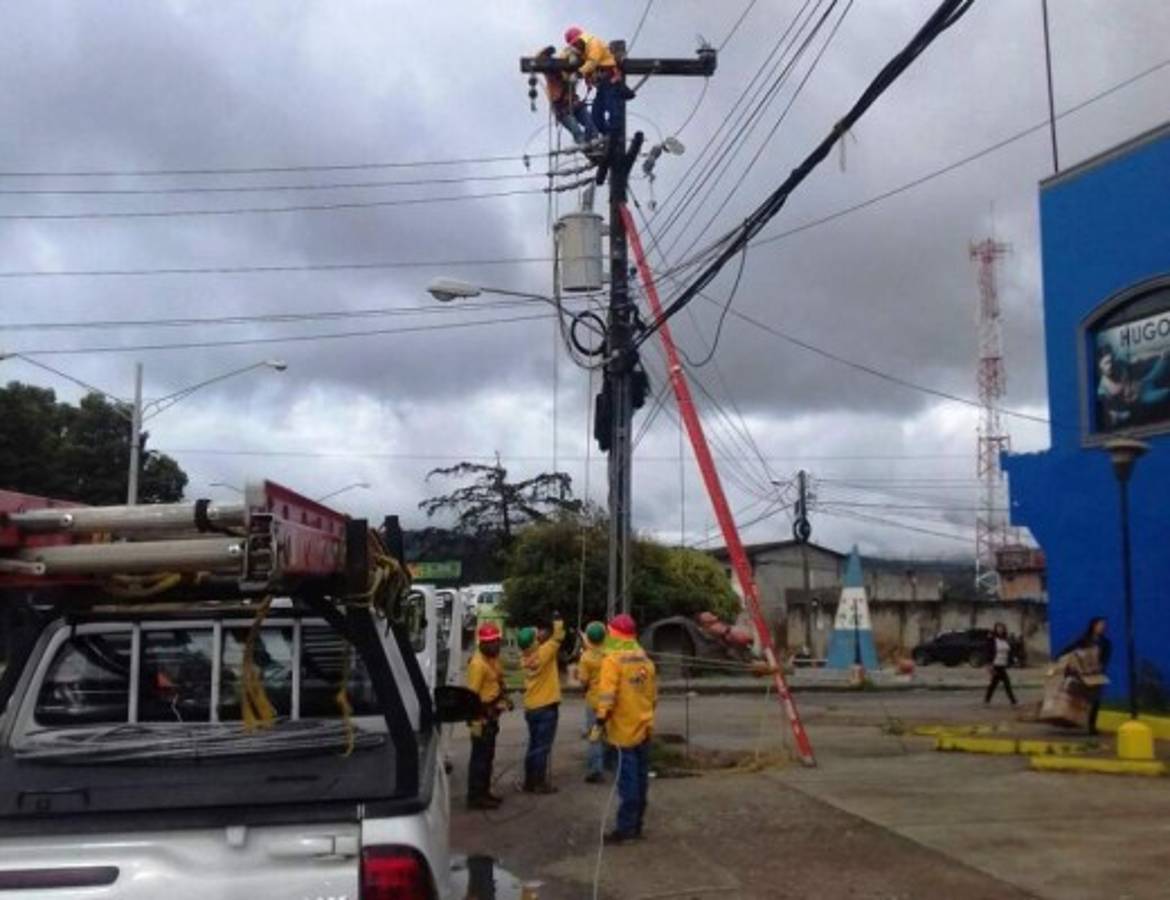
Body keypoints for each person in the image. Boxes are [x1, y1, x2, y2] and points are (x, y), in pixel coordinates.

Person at [594, 613, 657, 844]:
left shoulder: (612, 660)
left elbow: (607, 694)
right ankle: (637, 825)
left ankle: (626, 830)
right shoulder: (644, 659)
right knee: (641, 780)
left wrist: (600, 720)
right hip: (643, 727)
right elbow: (653, 696)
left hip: (623, 731)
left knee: (628, 782)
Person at [465, 622, 511, 810]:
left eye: (497, 641)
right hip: (481, 719)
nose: (496, 645)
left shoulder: (492, 659)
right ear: (482, 644)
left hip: (490, 717)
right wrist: (478, 720)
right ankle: (476, 796)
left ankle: (484, 792)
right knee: (480, 758)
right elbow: (472, 697)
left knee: (487, 757)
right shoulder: (478, 664)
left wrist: (503, 698)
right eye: (491, 642)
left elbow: (497, 680)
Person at [519, 615, 565, 793]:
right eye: (536, 634)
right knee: (542, 748)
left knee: (533, 745)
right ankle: (539, 783)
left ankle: (529, 782)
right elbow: (558, 636)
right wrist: (557, 620)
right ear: (534, 641)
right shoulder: (544, 652)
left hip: (531, 707)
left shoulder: (525, 657)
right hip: (546, 707)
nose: (539, 633)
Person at [563, 26, 622, 138]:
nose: (575, 46)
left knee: (614, 112)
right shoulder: (583, 49)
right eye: (573, 45)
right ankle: (608, 137)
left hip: (611, 81)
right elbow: (566, 53)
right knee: (596, 117)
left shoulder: (593, 43)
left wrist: (578, 73)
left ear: (581, 39)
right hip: (602, 86)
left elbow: (592, 62)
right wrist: (570, 54)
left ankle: (614, 136)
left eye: (576, 43)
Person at [534, 45, 598, 146]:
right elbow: (538, 61)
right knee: (577, 132)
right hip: (562, 108)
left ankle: (594, 143)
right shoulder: (552, 71)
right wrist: (545, 55)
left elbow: (588, 67)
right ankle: (585, 145)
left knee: (591, 126)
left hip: (575, 103)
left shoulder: (574, 69)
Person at [1058, 617, 1112, 734]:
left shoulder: (1105, 643)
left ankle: (1092, 726)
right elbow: (1070, 649)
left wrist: (1101, 666)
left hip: (1096, 675)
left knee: (1096, 701)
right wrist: (1061, 658)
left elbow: (1105, 658)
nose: (1102, 627)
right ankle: (1073, 720)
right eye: (1100, 624)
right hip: (1081, 675)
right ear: (1093, 625)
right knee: (1078, 698)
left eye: (1104, 625)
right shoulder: (1084, 640)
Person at [576, 620, 609, 783]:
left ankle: (596, 769)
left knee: (595, 735)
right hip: (610, 700)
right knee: (610, 733)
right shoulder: (611, 652)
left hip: (594, 701)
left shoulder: (586, 658)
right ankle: (613, 763)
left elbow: (583, 681)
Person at [984, 622, 1018, 707]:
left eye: (1001, 628)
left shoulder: (1005, 639)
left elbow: (1009, 651)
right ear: (995, 629)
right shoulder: (992, 639)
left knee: (993, 684)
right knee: (1006, 683)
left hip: (1003, 664)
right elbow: (988, 652)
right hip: (996, 664)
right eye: (998, 628)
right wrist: (989, 665)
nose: (1000, 630)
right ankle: (1013, 701)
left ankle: (986, 700)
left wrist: (1013, 659)